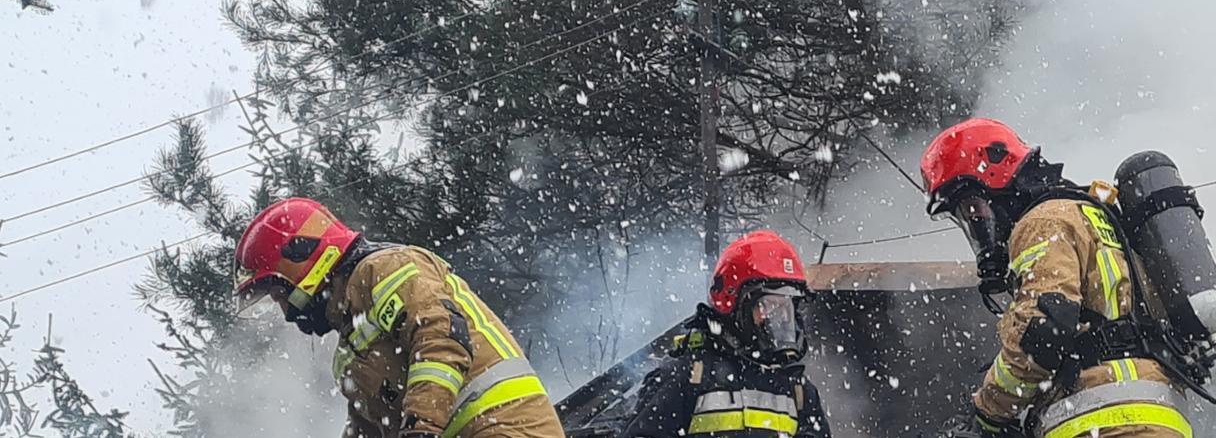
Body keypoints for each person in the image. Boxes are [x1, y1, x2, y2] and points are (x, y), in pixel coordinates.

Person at [925, 118, 1193, 438]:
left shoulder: (1043, 221)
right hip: (1150, 414)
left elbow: (1043, 332)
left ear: (997, 174)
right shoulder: (1090, 214)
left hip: (1106, 419)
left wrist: (987, 413)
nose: (976, 224)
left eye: (973, 208)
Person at [234, 198, 564, 438]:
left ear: (304, 259)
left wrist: (420, 430)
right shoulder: (352, 345)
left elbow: (441, 338)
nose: (286, 312)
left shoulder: (384, 269)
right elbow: (368, 427)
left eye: (280, 295)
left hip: (507, 427)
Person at [622, 230, 830, 438]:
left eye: (785, 307)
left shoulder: (799, 392)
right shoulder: (687, 377)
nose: (776, 318)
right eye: (766, 305)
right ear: (731, 302)